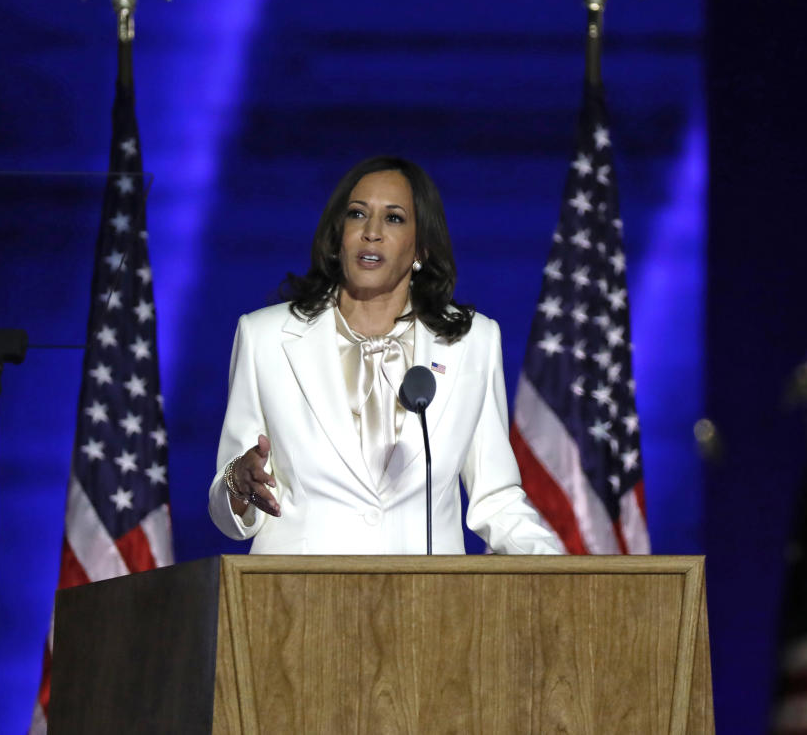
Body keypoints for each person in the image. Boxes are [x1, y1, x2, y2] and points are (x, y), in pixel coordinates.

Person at [208, 156, 563, 554]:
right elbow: (230, 510)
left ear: (422, 246)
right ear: (338, 235)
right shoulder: (265, 337)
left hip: (428, 604)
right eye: (357, 214)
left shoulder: (472, 342)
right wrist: (238, 482)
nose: (371, 233)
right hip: (296, 600)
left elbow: (496, 499)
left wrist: (564, 576)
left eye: (393, 219)